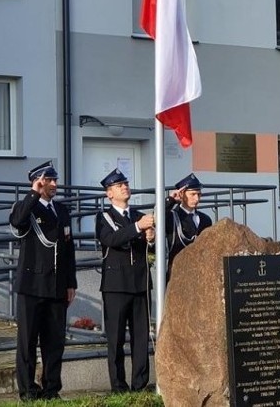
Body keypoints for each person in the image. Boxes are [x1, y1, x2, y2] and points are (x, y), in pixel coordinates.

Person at [9, 160, 77, 401]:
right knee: (27, 342)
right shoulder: (27, 206)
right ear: (38, 181)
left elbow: (68, 250)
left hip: (57, 285)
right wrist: (33, 193)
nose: (54, 184)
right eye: (48, 180)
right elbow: (17, 221)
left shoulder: (61, 211)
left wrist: (71, 283)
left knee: (54, 342)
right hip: (32, 285)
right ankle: (27, 390)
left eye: (54, 180)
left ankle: (51, 389)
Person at [95, 168, 155, 393]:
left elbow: (153, 249)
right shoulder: (105, 217)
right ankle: (118, 386)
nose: (124, 187)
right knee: (116, 338)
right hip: (116, 285)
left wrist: (152, 238)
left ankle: (139, 384)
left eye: (126, 183)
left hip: (139, 283)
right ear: (109, 194)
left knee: (141, 338)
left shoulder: (138, 215)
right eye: (119, 185)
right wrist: (139, 228)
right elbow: (111, 239)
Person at [165, 173, 212, 283]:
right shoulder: (172, 216)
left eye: (199, 195)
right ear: (182, 194)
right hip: (178, 272)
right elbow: (157, 218)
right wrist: (170, 200)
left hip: (199, 272)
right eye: (193, 194)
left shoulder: (205, 219)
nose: (197, 198)